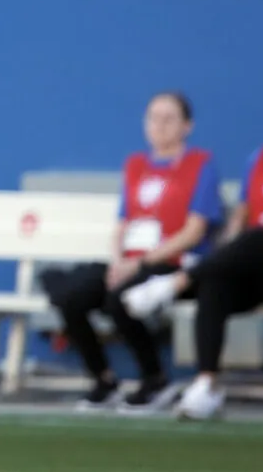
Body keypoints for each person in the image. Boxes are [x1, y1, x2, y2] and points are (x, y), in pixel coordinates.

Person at [124, 81, 263, 424]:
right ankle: (206, 385)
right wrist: (233, 247)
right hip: (260, 265)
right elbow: (241, 216)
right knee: (219, 277)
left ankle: (174, 284)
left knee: (260, 239)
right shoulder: (261, 159)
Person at [39, 92, 223, 412]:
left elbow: (194, 232)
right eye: (153, 118)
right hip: (129, 262)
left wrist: (139, 262)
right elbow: (122, 223)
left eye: (169, 119)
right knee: (71, 295)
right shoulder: (136, 165)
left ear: (187, 126)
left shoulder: (200, 165)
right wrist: (117, 261)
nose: (160, 126)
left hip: (170, 263)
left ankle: (155, 379)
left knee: (119, 300)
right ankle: (104, 379)